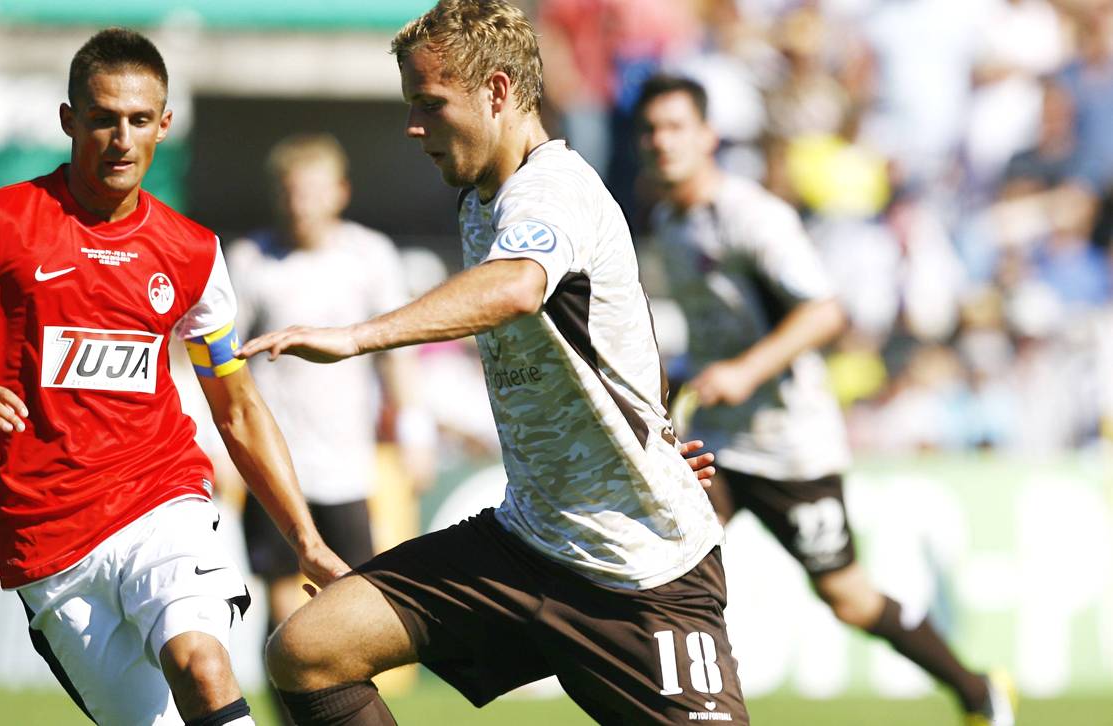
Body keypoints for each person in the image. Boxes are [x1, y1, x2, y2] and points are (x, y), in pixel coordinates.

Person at [234, 2, 749, 724]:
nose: (415, 128)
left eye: (430, 105)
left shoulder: (552, 190)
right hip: (527, 544)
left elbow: (516, 288)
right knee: (308, 648)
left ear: (499, 92)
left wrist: (356, 337)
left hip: (640, 573)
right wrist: (652, 437)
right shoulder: (484, 199)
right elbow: (606, 334)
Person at [0, 28, 348, 726]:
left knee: (203, 663)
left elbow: (235, 405)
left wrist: (306, 540)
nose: (122, 138)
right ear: (69, 120)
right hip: (45, 534)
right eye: (103, 119)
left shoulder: (192, 251)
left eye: (140, 120)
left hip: (162, 497)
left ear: (165, 125)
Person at [634, 73, 1017, 726]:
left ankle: (977, 689)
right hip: (719, 442)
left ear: (709, 136)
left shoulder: (751, 217)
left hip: (790, 443)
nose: (661, 142)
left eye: (676, 127)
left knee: (848, 596)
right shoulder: (670, 221)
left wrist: (747, 370)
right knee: (669, 569)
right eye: (651, 130)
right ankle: (695, 710)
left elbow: (825, 311)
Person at [225, 133, 435, 724]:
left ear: (339, 193)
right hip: (276, 467)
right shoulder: (250, 261)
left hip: (346, 465)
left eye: (312, 191)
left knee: (351, 606)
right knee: (282, 606)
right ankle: (295, 718)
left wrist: (414, 432)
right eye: (290, 192)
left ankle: (344, 712)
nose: (300, 205)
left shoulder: (369, 256)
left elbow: (398, 351)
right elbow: (220, 366)